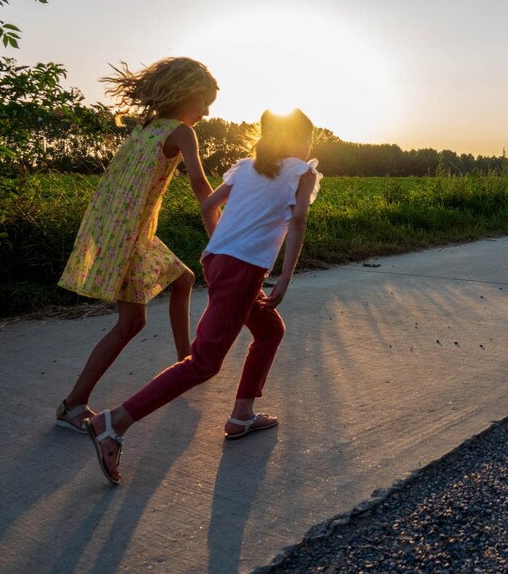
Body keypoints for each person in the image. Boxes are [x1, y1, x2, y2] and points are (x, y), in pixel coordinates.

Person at [86, 108, 322, 484]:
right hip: (242, 270)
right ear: (296, 139)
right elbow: (298, 221)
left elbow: (209, 205)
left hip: (217, 261)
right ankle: (114, 422)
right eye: (308, 138)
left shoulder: (247, 167)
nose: (309, 146)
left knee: (269, 331)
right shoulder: (302, 172)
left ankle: (242, 415)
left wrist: (222, 243)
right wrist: (285, 279)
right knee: (203, 363)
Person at [54, 57, 218, 433]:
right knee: (131, 323)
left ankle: (185, 363)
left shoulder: (148, 128)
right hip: (129, 237)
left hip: (125, 230)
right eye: (205, 102)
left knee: (183, 280)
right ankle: (73, 404)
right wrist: (221, 231)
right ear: (186, 94)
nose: (207, 112)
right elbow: (200, 185)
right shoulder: (181, 132)